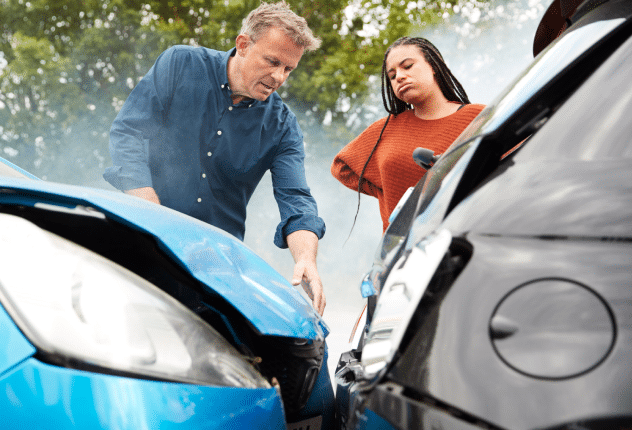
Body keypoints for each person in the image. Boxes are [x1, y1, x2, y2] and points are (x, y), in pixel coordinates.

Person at [104, 1, 327, 315]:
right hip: (140, 242)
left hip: (213, 271)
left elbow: (297, 200)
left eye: (288, 69)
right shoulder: (180, 63)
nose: (279, 77)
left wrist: (305, 260)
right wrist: (152, 215)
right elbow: (129, 132)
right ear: (243, 44)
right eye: (273, 61)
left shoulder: (282, 126)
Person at [331, 37, 485, 233]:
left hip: (468, 238)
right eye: (392, 76)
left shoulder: (478, 117)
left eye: (408, 66)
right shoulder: (386, 128)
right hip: (402, 252)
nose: (400, 77)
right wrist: (387, 191)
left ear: (434, 65)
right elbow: (341, 167)